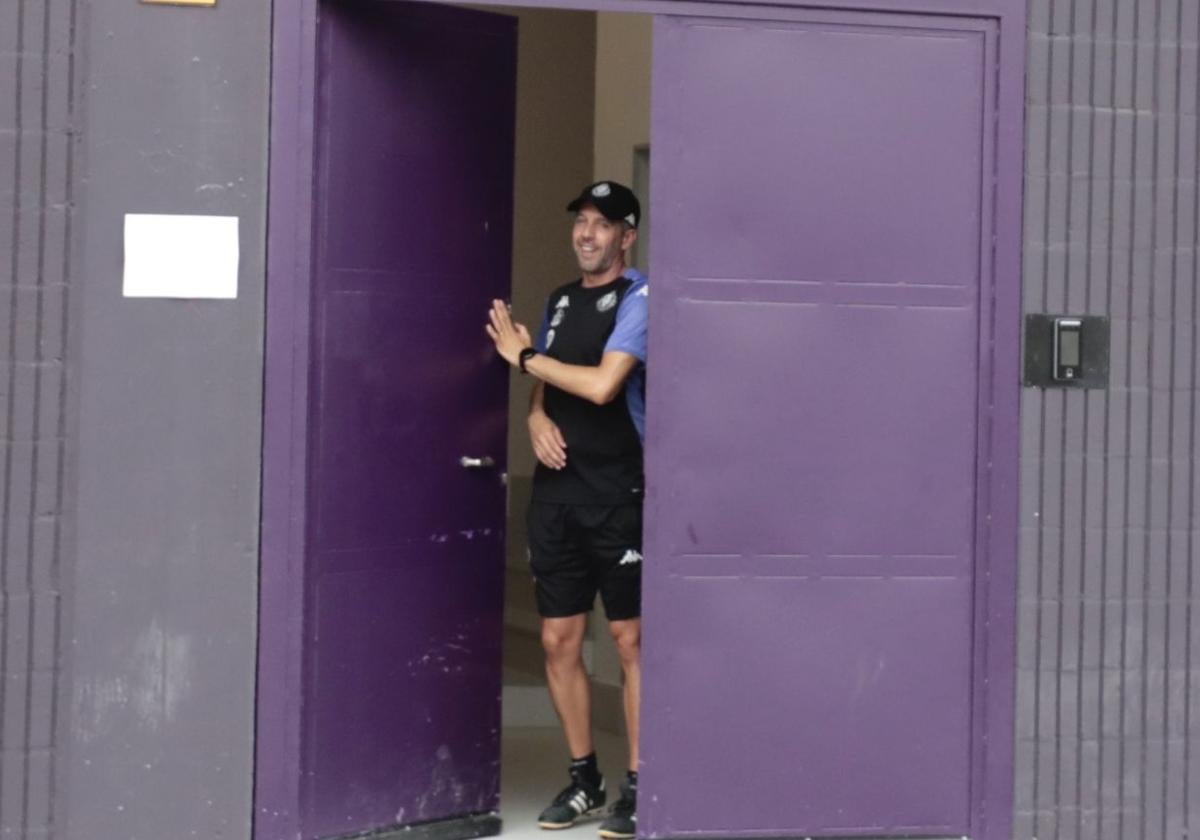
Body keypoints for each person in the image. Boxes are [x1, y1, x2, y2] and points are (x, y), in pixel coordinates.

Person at [485, 180, 648, 839]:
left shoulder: (640, 298)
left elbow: (606, 385)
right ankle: (585, 780)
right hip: (557, 499)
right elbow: (554, 380)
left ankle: (642, 784)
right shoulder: (557, 299)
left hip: (618, 493)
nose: (587, 233)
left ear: (626, 236)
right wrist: (533, 412)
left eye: (602, 224)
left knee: (629, 640)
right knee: (558, 639)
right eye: (580, 221)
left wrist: (524, 360)